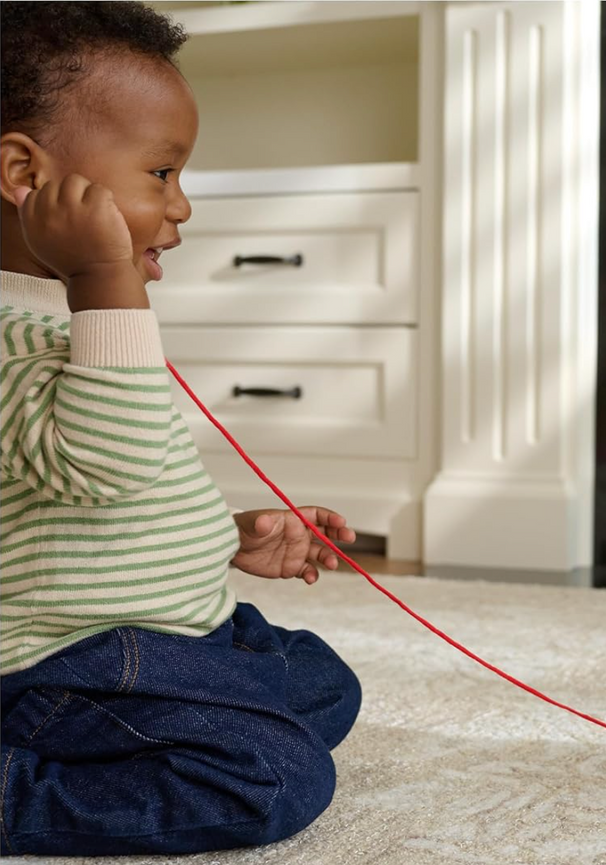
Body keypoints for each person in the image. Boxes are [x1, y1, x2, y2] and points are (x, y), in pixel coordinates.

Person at [0, 2, 362, 855]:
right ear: (24, 172)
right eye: (161, 173)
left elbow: (115, 487)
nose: (183, 205)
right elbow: (107, 461)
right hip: (62, 658)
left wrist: (222, 536)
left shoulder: (71, 318)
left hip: (150, 628)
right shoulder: (21, 334)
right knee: (275, 774)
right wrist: (103, 275)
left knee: (321, 682)